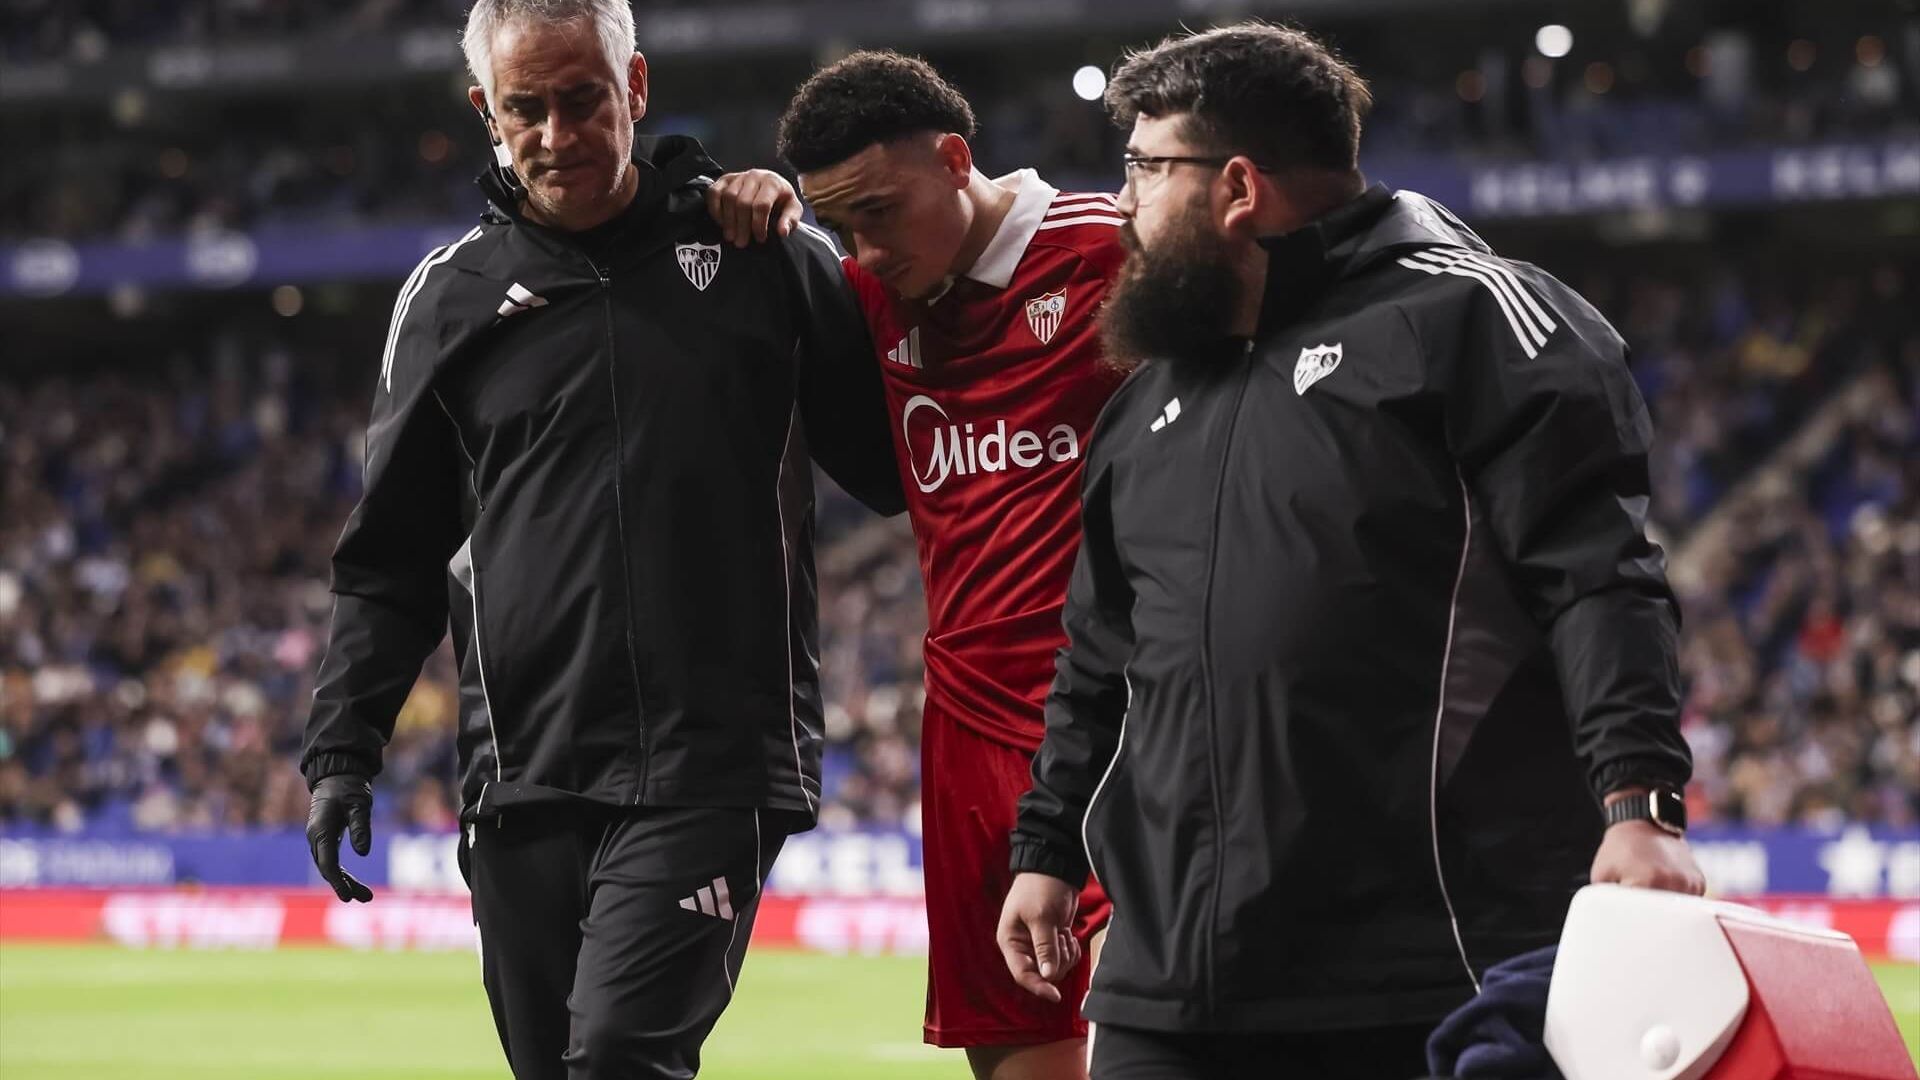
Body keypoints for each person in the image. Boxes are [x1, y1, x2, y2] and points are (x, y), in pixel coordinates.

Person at [997, 23, 1706, 1080]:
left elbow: (1599, 578)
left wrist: (1640, 804)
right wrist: (1047, 849)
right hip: (1163, 981)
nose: (1124, 204)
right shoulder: (1143, 403)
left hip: (1416, 966)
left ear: (1237, 185)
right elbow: (1099, 660)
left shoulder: (1474, 319)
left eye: (1146, 168)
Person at [297, 2, 902, 1077]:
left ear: (636, 91)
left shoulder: (757, 255)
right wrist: (343, 748)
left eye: (582, 99)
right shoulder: (447, 302)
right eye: (525, 108)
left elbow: (896, 468)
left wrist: (844, 251)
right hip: (521, 777)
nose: (556, 132)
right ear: (487, 114)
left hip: (708, 764)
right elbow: (389, 559)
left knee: (620, 1056)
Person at [708, 50, 1128, 1080]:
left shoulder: (1114, 255)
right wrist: (748, 209)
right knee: (1022, 1054)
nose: (864, 249)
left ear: (954, 159)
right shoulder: (868, 295)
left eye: (880, 212)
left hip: (1130, 722)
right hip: (971, 737)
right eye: (839, 223)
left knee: (1157, 1037)